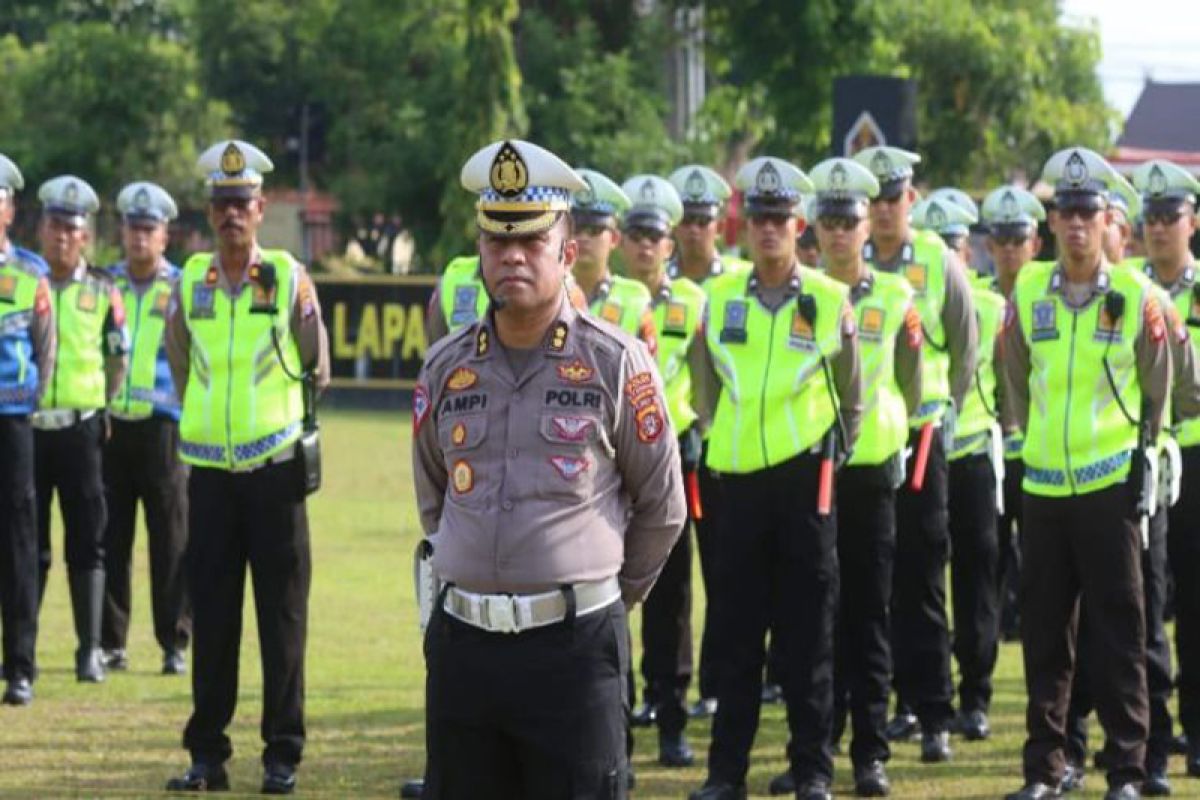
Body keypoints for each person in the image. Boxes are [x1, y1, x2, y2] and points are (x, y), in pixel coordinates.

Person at [412, 138, 685, 799]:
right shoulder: (446, 366)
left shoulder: (615, 362)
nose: (512, 257)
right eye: (497, 241)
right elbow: (435, 500)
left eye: (531, 241)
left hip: (574, 651)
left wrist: (606, 598)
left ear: (567, 253)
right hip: (464, 651)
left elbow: (662, 505)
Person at [687, 156, 863, 800]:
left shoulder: (827, 299)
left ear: (800, 225)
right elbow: (704, 382)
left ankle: (812, 770)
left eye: (779, 219)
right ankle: (723, 774)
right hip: (734, 484)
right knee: (734, 638)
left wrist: (825, 458)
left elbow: (854, 394)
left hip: (802, 485)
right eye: (759, 218)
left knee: (807, 637)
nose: (768, 230)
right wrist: (716, 438)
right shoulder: (720, 298)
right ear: (746, 226)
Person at [163, 139, 330, 795]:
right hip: (208, 473)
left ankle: (281, 754)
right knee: (214, 616)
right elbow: (180, 361)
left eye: (243, 204)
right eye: (222, 204)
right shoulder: (191, 279)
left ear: (261, 209)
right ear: (210, 211)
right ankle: (208, 754)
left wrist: (286, 424)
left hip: (274, 471)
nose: (232, 214)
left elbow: (318, 364)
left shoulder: (286, 275)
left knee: (281, 618)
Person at [1002, 146, 1167, 800]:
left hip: (1108, 486)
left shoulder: (1135, 294)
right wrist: (1021, 442)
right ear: (1051, 222)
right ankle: (1045, 769)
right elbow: (1012, 371)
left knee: (1120, 632)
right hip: (1043, 486)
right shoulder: (1027, 288)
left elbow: (1161, 382)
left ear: (1106, 220)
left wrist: (1148, 452)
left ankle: (1126, 769)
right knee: (1044, 635)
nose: (1074, 224)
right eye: (1064, 212)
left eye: (1086, 212)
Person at [769, 156, 921, 798]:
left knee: (868, 617)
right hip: (809, 474)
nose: (837, 232)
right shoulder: (799, 296)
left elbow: (913, 383)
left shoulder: (895, 296)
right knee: (810, 619)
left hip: (868, 476)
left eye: (848, 220)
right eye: (827, 220)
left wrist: (891, 431)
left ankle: (871, 754)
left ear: (867, 225)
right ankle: (815, 752)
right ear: (815, 229)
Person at [853, 146, 978, 761]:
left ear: (911, 198)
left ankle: (933, 712)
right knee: (866, 582)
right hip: (864, 446)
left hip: (922, 438)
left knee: (923, 578)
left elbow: (965, 342)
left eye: (891, 198)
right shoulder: (844, 260)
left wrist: (947, 407)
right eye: (871, 200)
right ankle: (880, 706)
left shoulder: (935, 258)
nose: (881, 210)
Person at [914, 192, 1007, 743]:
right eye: (939, 247)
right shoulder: (908, 296)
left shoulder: (994, 307)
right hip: (925, 448)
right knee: (919, 579)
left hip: (971, 450)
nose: (948, 256)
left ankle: (975, 694)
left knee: (976, 578)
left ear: (967, 251)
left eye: (955, 245)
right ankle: (922, 694)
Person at [618, 173, 705, 767]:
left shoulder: (696, 303)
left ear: (670, 245)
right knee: (609, 588)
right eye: (636, 235)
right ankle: (617, 711)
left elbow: (708, 377)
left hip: (674, 461)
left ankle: (672, 715)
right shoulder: (601, 304)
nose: (645, 246)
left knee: (671, 597)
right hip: (615, 464)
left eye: (656, 236)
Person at [33, 175, 128, 684]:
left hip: (82, 428)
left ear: (85, 236)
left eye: (71, 229)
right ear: (40, 230)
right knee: (27, 544)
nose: (62, 237)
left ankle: (89, 649)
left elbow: (119, 358)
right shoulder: (25, 283)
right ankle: (19, 652)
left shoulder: (103, 290)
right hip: (28, 427)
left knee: (88, 540)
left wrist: (99, 403)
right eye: (54, 226)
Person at [666, 163, 748, 719]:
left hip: (722, 448)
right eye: (686, 220)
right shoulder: (656, 285)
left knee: (727, 572)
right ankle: (669, 683)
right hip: (670, 448)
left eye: (704, 219)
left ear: (720, 223)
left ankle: (722, 682)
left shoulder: (735, 284)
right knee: (669, 578)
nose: (695, 229)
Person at [100, 181, 191, 676]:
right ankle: (111, 642)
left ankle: (174, 639)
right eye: (132, 228)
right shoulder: (104, 283)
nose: (138, 238)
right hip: (112, 425)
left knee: (170, 538)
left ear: (164, 236)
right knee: (110, 536)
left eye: (148, 229)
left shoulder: (181, 287)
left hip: (164, 428)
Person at [1131, 158, 1200, 789]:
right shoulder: (1126, 288)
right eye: (1149, 217)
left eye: (1169, 217)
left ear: (1193, 222)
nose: (1157, 227)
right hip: (1146, 460)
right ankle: (1153, 729)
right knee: (1146, 601)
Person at [0, 154, 55, 706]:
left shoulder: (30, 274)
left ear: (9, 210)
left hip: (13, 422)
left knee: (18, 545)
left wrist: (25, 403)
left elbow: (47, 350)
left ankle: (19, 666)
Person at [980, 187, 1045, 645]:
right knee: (990, 552)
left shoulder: (1050, 298)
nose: (1009, 250)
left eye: (1017, 241)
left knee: (1044, 557)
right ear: (989, 246)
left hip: (1039, 448)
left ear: (1035, 244)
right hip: (993, 449)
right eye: (1001, 241)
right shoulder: (977, 300)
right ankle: (995, 626)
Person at [570, 168, 656, 349]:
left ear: (615, 239)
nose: (583, 238)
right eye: (576, 229)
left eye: (595, 230)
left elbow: (648, 370)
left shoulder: (635, 299)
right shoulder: (544, 292)